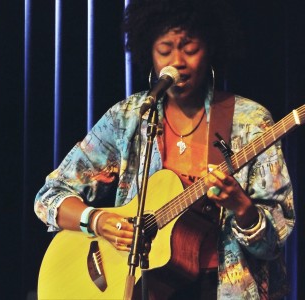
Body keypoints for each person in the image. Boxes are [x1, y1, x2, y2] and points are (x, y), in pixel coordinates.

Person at [35, 0, 295, 299]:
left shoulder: (249, 122)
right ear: (150, 52)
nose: (177, 61)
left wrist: (242, 208)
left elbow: (273, 244)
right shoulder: (130, 117)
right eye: (165, 49)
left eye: (189, 47)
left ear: (210, 47)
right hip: (146, 289)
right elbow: (49, 197)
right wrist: (98, 221)